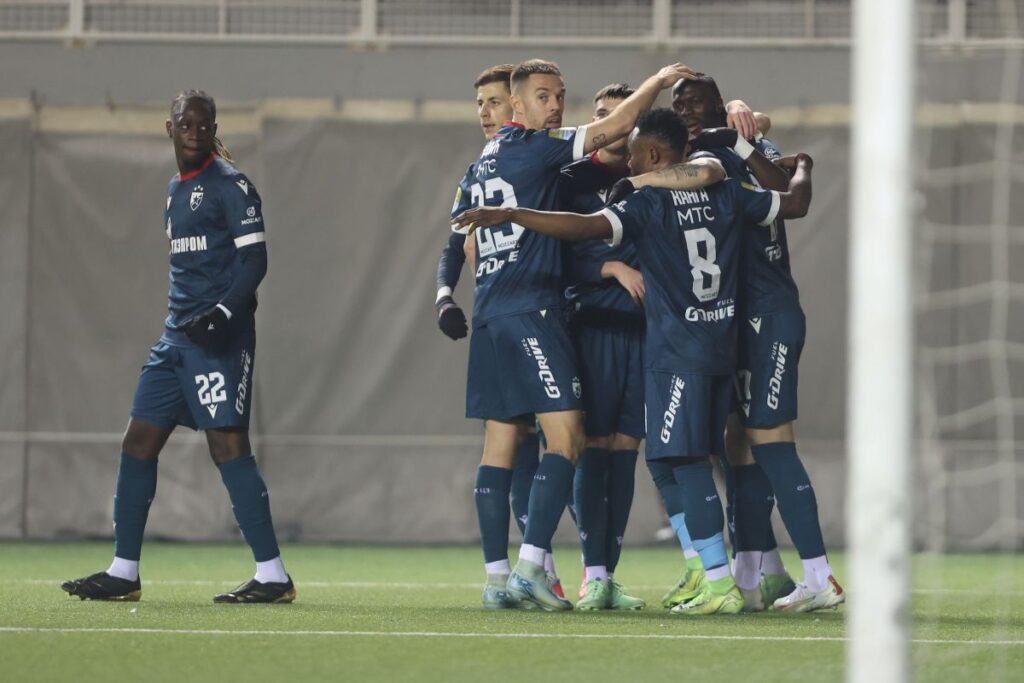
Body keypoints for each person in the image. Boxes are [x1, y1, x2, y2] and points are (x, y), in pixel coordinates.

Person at [453, 107, 813, 615]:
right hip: (722, 346)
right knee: (689, 458)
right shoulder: (729, 191)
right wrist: (805, 167)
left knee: (681, 460)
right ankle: (725, 573)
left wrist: (513, 215)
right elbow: (794, 203)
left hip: (674, 350)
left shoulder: (645, 203)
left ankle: (717, 581)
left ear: (650, 153)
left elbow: (581, 228)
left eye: (637, 151)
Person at [450, 59, 698, 611]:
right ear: (518, 106)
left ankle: (497, 578)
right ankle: (533, 566)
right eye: (543, 96)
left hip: (492, 313)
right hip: (533, 310)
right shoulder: (537, 148)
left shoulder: (483, 160)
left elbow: (463, 243)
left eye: (559, 95)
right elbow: (612, 129)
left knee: (503, 443)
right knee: (567, 440)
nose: (555, 106)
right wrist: (656, 84)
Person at [60, 90, 293, 605]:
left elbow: (255, 262)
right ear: (170, 128)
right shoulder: (173, 190)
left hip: (220, 339)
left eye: (202, 123)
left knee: (226, 446)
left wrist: (226, 314)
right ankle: (124, 571)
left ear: (212, 128)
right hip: (174, 340)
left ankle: (273, 575)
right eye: (185, 123)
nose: (194, 129)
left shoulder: (232, 185)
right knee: (138, 440)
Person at [667, 74, 844, 612]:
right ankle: (748, 573)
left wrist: (743, 133)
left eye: (695, 103)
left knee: (772, 442)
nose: (686, 112)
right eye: (679, 106)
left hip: (768, 315)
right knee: (737, 446)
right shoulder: (697, 154)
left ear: (720, 106)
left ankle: (821, 577)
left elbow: (791, 190)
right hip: (731, 322)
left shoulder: (738, 149)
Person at [435, 64, 568, 606]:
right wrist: (444, 295)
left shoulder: (544, 149)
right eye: (482, 105)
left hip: (532, 307)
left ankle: (523, 573)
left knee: (518, 443)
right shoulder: (478, 172)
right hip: (524, 311)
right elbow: (454, 245)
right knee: (548, 439)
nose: (488, 113)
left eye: (494, 102)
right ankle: (530, 568)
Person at [558, 83, 646, 610]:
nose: (608, 123)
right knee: (591, 449)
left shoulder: (651, 177)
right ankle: (591, 574)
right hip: (590, 328)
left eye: (618, 115)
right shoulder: (571, 178)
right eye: (600, 115)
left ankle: (608, 576)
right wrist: (606, 264)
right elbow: (548, 246)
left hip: (643, 331)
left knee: (625, 453)